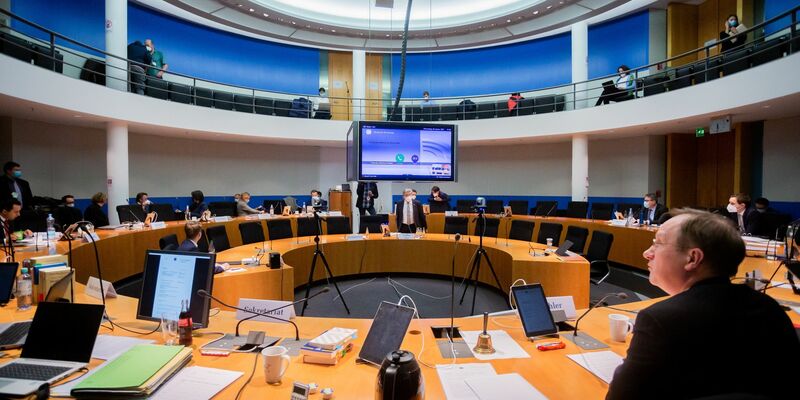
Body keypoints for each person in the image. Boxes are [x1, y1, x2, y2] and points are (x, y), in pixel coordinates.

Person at [606, 209, 799, 399]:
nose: (647, 253)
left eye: (658, 244)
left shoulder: (660, 320)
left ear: (693, 258)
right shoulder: (770, 309)